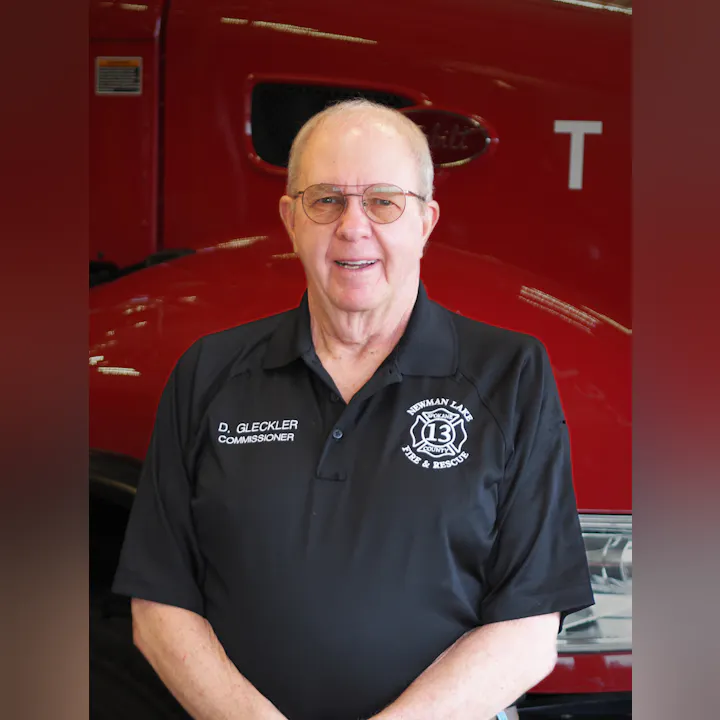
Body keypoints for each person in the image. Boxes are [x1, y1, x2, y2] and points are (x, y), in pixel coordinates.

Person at [112, 99, 594, 720]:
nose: (353, 227)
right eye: (327, 200)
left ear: (426, 219)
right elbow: (158, 607)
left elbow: (529, 629)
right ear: (290, 219)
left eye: (384, 202)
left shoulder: (510, 375)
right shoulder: (209, 373)